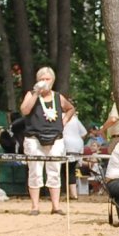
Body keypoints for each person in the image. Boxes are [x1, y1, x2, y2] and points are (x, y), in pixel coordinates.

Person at [20, 66, 75, 215]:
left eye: (47, 79)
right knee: (35, 171)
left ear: (52, 81)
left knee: (54, 171)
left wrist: (63, 121)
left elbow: (71, 108)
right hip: (34, 139)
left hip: (55, 139)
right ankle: (35, 207)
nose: (44, 82)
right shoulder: (31, 94)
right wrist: (36, 93)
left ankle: (56, 206)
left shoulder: (58, 96)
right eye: (41, 79)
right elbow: (24, 110)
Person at [62, 110, 88, 199]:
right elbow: (84, 133)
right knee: (71, 169)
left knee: (64, 170)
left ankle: (68, 193)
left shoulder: (59, 118)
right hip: (77, 146)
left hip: (65, 145)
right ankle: (73, 193)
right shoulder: (75, 119)